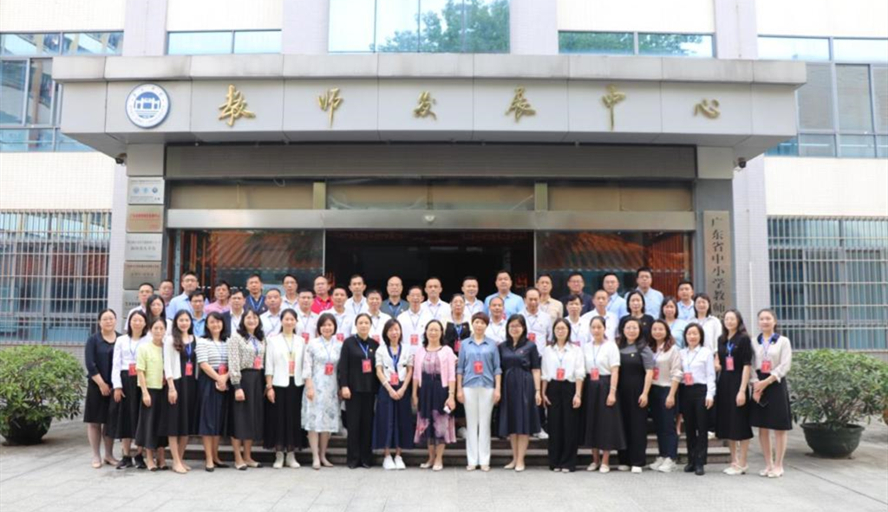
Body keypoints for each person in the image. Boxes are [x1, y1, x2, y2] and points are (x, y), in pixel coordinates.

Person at [750, 309, 793, 478]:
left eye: (768, 318)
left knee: (779, 427)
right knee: (763, 426)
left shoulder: (783, 341)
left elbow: (785, 365)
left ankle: (778, 465)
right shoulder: (754, 341)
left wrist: (766, 382)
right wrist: (756, 385)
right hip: (758, 383)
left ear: (774, 321)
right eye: (761, 319)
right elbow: (750, 365)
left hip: (776, 383)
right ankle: (768, 464)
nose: (765, 321)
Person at [456, 312, 502, 472]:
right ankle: (472, 460)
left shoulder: (492, 344)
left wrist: (498, 389)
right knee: (471, 424)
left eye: (482, 323)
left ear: (486, 325)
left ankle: (484, 460)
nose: (479, 325)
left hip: (487, 386)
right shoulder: (465, 344)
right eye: (476, 322)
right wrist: (459, 389)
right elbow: (460, 368)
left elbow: (497, 368)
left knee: (485, 424)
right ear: (472, 324)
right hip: (469, 386)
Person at [497, 315, 542, 472]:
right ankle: (514, 458)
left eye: (518, 326)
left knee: (523, 423)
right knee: (512, 423)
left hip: (525, 385)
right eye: (512, 326)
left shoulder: (530, 346)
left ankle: (521, 459)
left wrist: (537, 391)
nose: (514, 329)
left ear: (523, 328)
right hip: (508, 386)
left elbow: (536, 369)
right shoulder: (502, 346)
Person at [412, 320, 457, 471]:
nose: (433, 333)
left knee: (440, 424)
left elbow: (451, 375)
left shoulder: (447, 351)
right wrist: (414, 394)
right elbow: (416, 375)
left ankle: (439, 458)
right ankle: (431, 458)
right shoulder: (420, 351)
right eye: (430, 330)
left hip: (441, 390)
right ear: (425, 332)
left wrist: (451, 395)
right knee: (426, 424)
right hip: (424, 390)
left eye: (436, 330)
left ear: (441, 332)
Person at [581, 316, 624, 473]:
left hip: (605, 385)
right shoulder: (586, 347)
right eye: (593, 327)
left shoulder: (611, 346)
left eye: (599, 327)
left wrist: (612, 392)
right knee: (591, 421)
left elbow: (615, 370)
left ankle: (605, 461)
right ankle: (595, 460)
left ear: (605, 328)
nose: (596, 330)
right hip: (590, 385)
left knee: (606, 423)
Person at [264, 309, 306, 469]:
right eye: (286, 319)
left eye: (292, 319)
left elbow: (305, 364)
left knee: (293, 418)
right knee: (278, 419)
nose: (289, 322)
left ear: (296, 322)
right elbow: (269, 365)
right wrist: (269, 387)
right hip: (278, 384)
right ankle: (279, 454)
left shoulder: (301, 341)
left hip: (296, 384)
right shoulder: (273, 340)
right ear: (281, 321)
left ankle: (291, 454)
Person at [541, 319, 584, 472]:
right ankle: (555, 461)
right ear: (553, 331)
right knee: (554, 426)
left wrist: (578, 394)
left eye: (563, 328)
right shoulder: (548, 350)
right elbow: (545, 373)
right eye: (557, 328)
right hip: (553, 387)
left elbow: (579, 373)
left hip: (570, 387)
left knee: (570, 426)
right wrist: (543, 392)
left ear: (568, 331)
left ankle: (568, 462)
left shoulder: (576, 350)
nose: (560, 331)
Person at [302, 313, 343, 469]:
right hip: (315, 386)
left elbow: (341, 369)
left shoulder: (339, 345)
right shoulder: (312, 344)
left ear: (334, 327)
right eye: (324, 325)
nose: (327, 328)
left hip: (331, 388)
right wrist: (309, 386)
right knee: (314, 422)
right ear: (319, 327)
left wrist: (341, 387)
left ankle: (323, 455)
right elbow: (307, 366)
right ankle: (315, 456)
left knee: (327, 422)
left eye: (330, 325)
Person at [109, 310, 149, 469]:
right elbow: (116, 364)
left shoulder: (149, 339)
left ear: (145, 323)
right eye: (134, 320)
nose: (137, 323)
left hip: (142, 380)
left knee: (140, 417)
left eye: (140, 320)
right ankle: (126, 455)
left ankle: (139, 454)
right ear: (129, 322)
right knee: (125, 418)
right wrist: (117, 386)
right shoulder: (121, 340)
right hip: (125, 379)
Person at [338, 313, 379, 469]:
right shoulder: (348, 343)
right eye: (360, 323)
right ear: (356, 325)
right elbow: (343, 366)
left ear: (370, 325)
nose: (363, 325)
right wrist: (344, 385)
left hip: (369, 390)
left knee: (367, 424)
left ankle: (366, 458)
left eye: (366, 323)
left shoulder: (375, 344)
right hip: (352, 390)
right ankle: (353, 459)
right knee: (353, 425)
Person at [716, 309, 754, 476]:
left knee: (741, 422)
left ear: (738, 321)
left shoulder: (744, 339)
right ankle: (734, 461)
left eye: (732, 319)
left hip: (739, 381)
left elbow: (747, 365)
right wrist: (717, 365)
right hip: (724, 382)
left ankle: (743, 462)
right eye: (726, 319)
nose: (729, 321)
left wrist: (742, 390)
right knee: (728, 423)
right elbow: (722, 361)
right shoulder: (722, 339)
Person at [373, 318, 414, 470]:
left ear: (401, 331)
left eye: (396, 329)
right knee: (386, 420)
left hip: (403, 388)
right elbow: (378, 371)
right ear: (386, 333)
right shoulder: (381, 349)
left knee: (402, 420)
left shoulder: (407, 348)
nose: (394, 332)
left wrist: (403, 389)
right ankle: (387, 455)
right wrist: (389, 389)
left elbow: (410, 370)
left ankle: (398, 455)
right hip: (386, 389)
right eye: (391, 330)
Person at [228, 309, 266, 470]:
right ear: (243, 320)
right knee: (240, 419)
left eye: (255, 317)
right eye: (248, 317)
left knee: (251, 418)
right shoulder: (236, 338)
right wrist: (237, 386)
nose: (252, 320)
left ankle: (248, 456)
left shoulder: (261, 338)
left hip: (257, 380)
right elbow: (233, 362)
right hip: (243, 379)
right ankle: (238, 457)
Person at [616, 318, 654, 473]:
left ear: (640, 330)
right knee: (622, 425)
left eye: (634, 328)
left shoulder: (644, 348)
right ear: (623, 330)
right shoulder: (618, 347)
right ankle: (623, 459)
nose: (631, 331)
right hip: (620, 392)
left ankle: (637, 461)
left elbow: (649, 372)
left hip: (638, 392)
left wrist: (645, 393)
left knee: (637, 426)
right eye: (628, 327)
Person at [163, 310, 198, 474]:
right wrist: (171, 387)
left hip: (192, 385)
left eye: (187, 320)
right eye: (181, 320)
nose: (184, 323)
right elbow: (167, 365)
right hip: (177, 383)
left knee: (186, 423)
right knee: (174, 423)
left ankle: (181, 459)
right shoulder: (170, 340)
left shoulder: (195, 339)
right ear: (176, 322)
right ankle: (175, 461)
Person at [196, 312, 231, 472]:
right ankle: (208, 458)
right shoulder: (202, 341)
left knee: (219, 420)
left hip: (225, 381)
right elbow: (203, 363)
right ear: (207, 325)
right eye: (212, 322)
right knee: (208, 420)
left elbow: (234, 362)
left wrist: (225, 378)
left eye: (218, 322)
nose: (216, 325)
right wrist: (218, 378)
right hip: (209, 382)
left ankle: (216, 456)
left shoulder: (228, 342)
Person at [84, 309, 119, 469]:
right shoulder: (93, 340)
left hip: (115, 387)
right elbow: (90, 364)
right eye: (105, 319)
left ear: (116, 320)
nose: (108, 321)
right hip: (96, 386)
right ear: (99, 322)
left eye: (111, 318)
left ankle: (109, 455)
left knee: (110, 422)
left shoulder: (121, 339)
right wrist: (101, 384)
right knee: (94, 422)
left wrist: (115, 385)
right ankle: (96, 455)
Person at [679, 323, 716, 475]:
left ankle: (700, 461)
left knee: (702, 427)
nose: (692, 336)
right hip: (685, 390)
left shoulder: (706, 353)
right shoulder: (681, 353)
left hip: (701, 391)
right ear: (685, 336)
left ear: (700, 336)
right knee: (689, 428)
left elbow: (710, 375)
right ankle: (691, 460)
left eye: (695, 333)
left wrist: (710, 394)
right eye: (689, 334)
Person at [134, 317, 169, 471]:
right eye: (156, 328)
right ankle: (149, 458)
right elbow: (140, 371)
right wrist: (145, 393)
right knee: (149, 425)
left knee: (162, 424)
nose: (158, 331)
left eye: (161, 328)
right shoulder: (144, 348)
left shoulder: (167, 348)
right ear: (150, 330)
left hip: (164, 391)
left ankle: (161, 457)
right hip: (150, 390)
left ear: (165, 331)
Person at [648, 320, 682, 473]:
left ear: (667, 331)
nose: (657, 332)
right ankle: (662, 455)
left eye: (660, 329)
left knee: (668, 426)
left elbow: (677, 373)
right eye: (654, 329)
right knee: (659, 425)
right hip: (654, 390)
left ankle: (671, 458)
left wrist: (671, 395)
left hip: (667, 389)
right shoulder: (651, 348)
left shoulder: (673, 349)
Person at [397, 286, 432, 350]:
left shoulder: (429, 317)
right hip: (405, 352)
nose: (415, 298)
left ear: (422, 298)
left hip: (424, 352)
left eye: (418, 295)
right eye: (412, 295)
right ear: (408, 298)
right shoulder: (401, 317)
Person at [521, 287, 552, 355]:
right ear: (525, 300)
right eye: (530, 299)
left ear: (540, 299)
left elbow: (549, 339)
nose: (533, 302)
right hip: (523, 355)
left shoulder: (546, 317)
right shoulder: (519, 316)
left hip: (541, 355)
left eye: (535, 299)